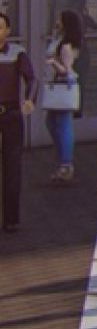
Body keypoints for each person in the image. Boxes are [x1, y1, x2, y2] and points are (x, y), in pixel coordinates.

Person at [0, 13, 36, 232]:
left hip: (11, 114)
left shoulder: (17, 53)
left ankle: (11, 219)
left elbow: (31, 79)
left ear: (8, 31)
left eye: (0, 27)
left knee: (12, 167)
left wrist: (30, 99)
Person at [44, 10, 83, 183]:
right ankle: (63, 160)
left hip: (63, 86)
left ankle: (66, 164)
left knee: (62, 123)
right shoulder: (59, 39)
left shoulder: (66, 46)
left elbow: (66, 71)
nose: (56, 21)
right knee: (52, 122)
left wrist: (53, 63)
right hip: (57, 85)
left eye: (60, 19)